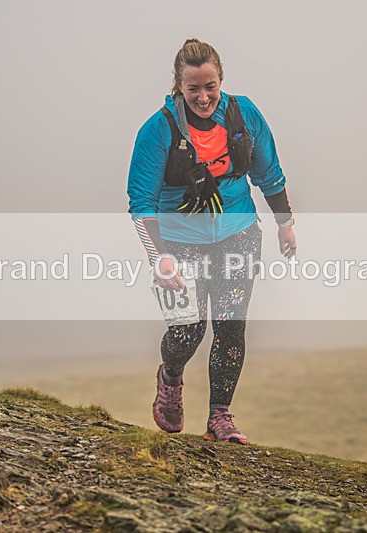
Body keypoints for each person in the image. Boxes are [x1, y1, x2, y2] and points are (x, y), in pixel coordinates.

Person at [127, 38, 297, 444]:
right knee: (188, 331)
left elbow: (268, 172)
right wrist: (159, 257)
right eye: (193, 89)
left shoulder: (243, 113)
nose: (203, 97)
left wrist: (284, 223)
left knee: (230, 328)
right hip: (178, 243)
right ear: (178, 87)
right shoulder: (158, 130)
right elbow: (141, 203)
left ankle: (220, 417)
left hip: (238, 236)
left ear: (221, 81)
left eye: (210, 87)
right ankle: (170, 379)